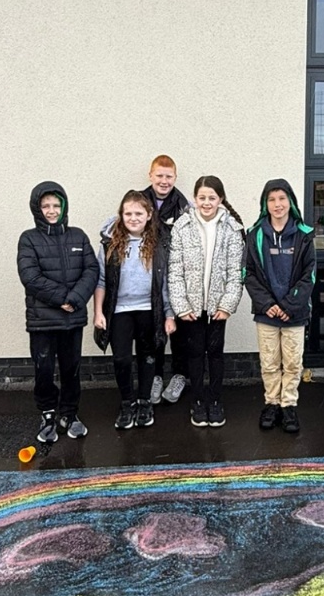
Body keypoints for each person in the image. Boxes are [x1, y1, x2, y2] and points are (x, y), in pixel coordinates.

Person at [17, 181, 98, 443]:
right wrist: (62, 298)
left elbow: (91, 270)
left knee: (71, 369)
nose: (51, 210)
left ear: (64, 207)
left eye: (56, 205)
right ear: (37, 209)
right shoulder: (28, 239)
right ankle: (48, 413)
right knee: (43, 369)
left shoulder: (78, 236)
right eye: (46, 206)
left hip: (72, 319)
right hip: (43, 320)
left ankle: (69, 414)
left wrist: (74, 299)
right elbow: (30, 276)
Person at [94, 191, 176, 430]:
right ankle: (127, 402)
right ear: (121, 215)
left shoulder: (159, 244)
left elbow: (164, 282)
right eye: (128, 213)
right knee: (121, 359)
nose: (133, 218)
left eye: (138, 213)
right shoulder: (109, 244)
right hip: (119, 310)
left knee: (148, 357)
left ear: (149, 215)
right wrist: (98, 312)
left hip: (149, 309)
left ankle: (144, 401)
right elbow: (101, 281)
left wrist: (169, 314)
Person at [167, 175, 245, 428]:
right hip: (191, 307)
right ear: (195, 199)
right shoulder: (182, 227)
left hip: (218, 307)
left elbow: (235, 272)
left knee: (216, 354)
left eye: (212, 197)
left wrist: (227, 305)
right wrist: (181, 306)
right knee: (194, 354)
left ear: (220, 199)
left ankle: (215, 400)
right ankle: (198, 400)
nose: (207, 202)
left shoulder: (232, 229)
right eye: (202, 197)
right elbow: (174, 270)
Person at [244, 178, 316, 435]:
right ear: (265, 204)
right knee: (269, 362)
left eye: (282, 198)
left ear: (290, 202)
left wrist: (288, 305)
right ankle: (272, 403)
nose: (277, 204)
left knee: (293, 363)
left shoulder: (304, 235)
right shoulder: (255, 234)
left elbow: (309, 275)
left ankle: (288, 405)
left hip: (294, 313)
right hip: (267, 313)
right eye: (272, 199)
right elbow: (248, 273)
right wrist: (267, 304)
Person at [143, 155, 191, 406]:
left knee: (180, 331)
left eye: (168, 176)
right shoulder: (139, 200)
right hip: (149, 276)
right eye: (159, 175)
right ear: (150, 175)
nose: (164, 181)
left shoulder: (184, 206)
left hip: (177, 276)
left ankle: (180, 375)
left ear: (175, 177)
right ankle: (156, 376)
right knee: (155, 329)